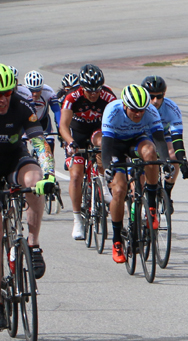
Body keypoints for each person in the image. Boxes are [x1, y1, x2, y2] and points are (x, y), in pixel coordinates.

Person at [100, 84, 170, 264]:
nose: (138, 114)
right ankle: (116, 241)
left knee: (150, 153)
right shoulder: (112, 111)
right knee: (119, 189)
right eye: (133, 110)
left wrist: (166, 161)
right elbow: (106, 147)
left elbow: (160, 140)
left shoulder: (151, 111)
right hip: (116, 145)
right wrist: (107, 166)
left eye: (141, 110)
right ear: (124, 105)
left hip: (138, 141)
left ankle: (152, 208)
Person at [0, 66, 58, 279]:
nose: (3, 99)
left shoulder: (23, 106)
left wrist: (49, 173)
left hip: (14, 158)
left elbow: (40, 143)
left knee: (35, 180)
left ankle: (33, 245)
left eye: (7, 93)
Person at [60, 64, 116, 241]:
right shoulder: (72, 96)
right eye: (89, 91)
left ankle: (103, 183)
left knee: (101, 143)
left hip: (96, 131)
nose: (94, 94)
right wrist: (70, 143)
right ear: (82, 87)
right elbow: (63, 125)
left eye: (97, 90)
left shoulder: (108, 96)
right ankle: (77, 219)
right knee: (76, 175)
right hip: (77, 134)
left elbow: (116, 121)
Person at [141, 76, 188, 203]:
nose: (155, 101)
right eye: (151, 96)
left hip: (163, 136)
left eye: (159, 96)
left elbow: (177, 138)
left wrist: (183, 161)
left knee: (173, 155)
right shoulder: (138, 107)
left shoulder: (171, 108)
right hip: (142, 136)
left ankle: (167, 193)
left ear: (164, 94)